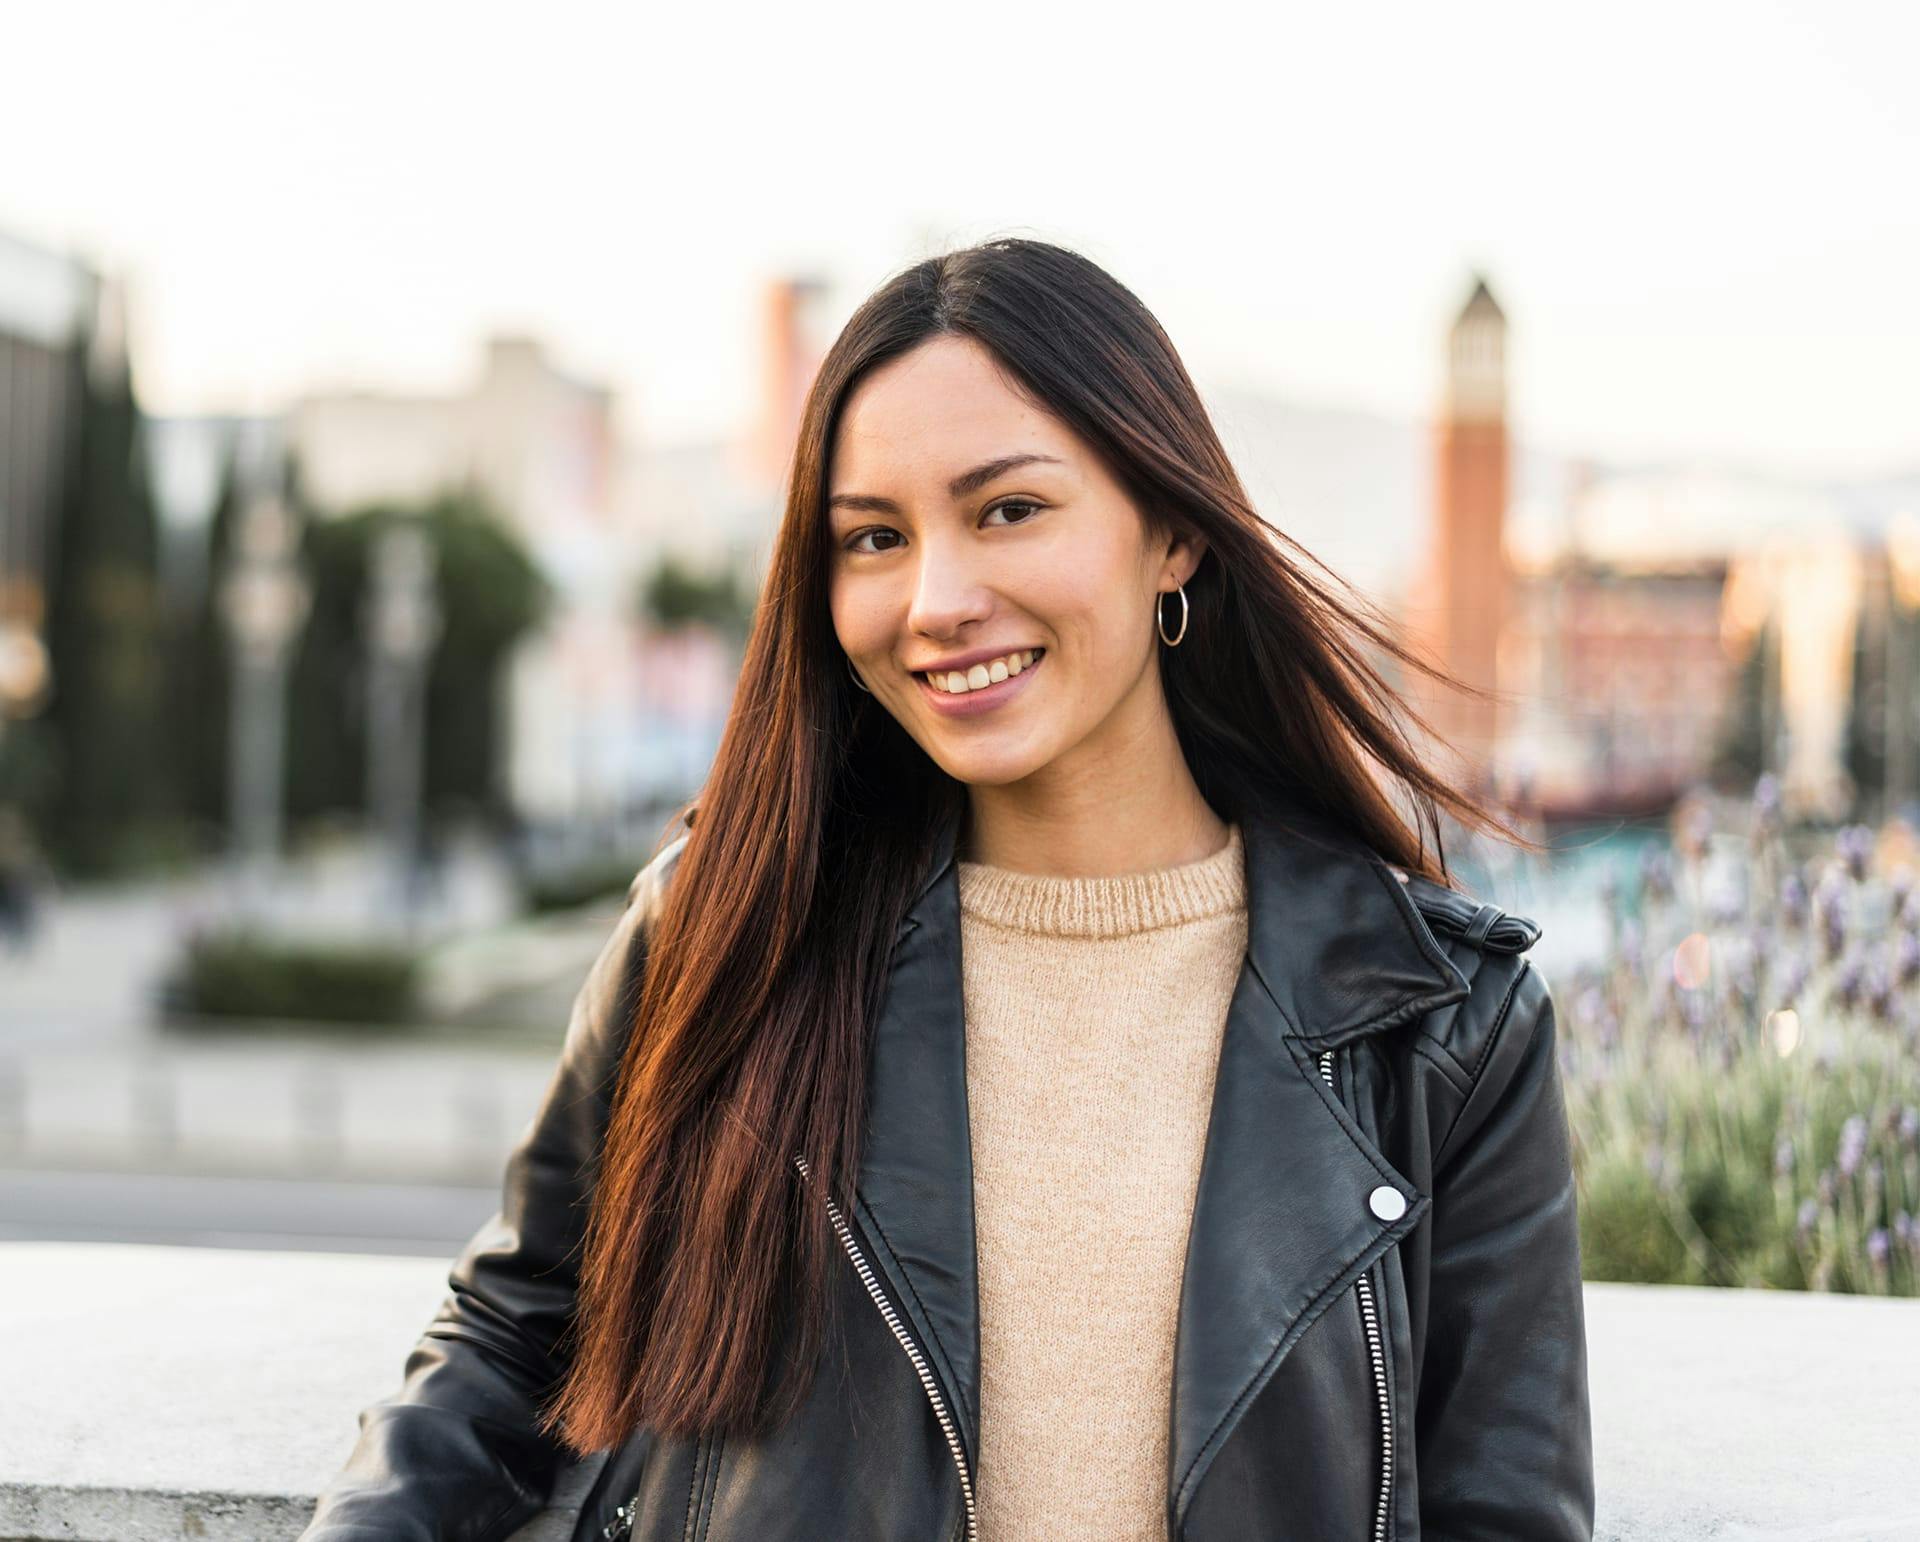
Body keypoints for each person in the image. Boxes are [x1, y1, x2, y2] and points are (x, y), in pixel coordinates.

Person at [302, 238, 1593, 1541]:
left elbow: (1505, 1514)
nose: (934, 600)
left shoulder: (1446, 1031)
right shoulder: (730, 926)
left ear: (1177, 535)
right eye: (873, 536)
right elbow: (511, 1337)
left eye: (1007, 510)